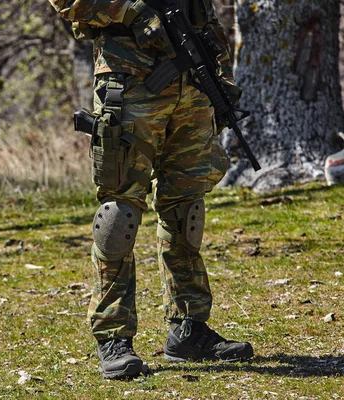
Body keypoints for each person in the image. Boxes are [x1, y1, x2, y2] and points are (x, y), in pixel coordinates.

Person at [47, 0, 254, 379]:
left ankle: (188, 328)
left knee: (185, 210)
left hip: (193, 83)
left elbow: (204, 14)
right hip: (129, 82)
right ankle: (114, 338)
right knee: (118, 216)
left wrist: (220, 74)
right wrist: (131, 12)